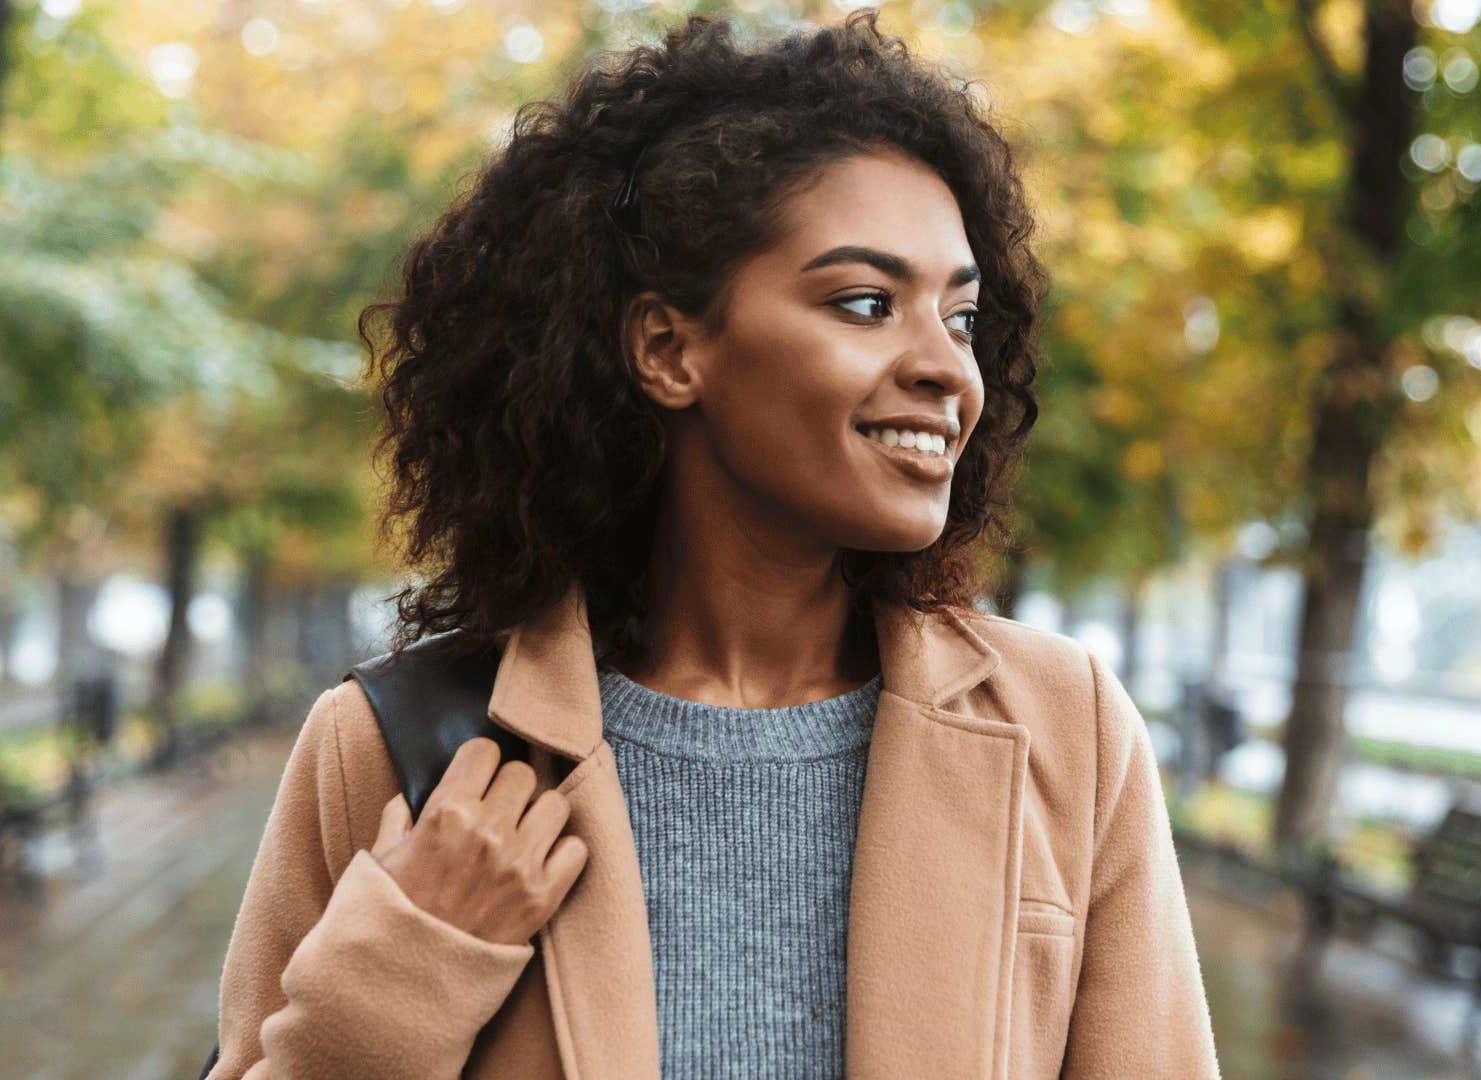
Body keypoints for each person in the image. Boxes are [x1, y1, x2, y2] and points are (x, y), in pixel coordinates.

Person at [206, 9, 1221, 1079]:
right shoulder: (392, 744)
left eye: (961, 318)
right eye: (868, 303)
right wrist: (403, 976)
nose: (947, 369)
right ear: (668, 348)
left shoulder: (1070, 730)